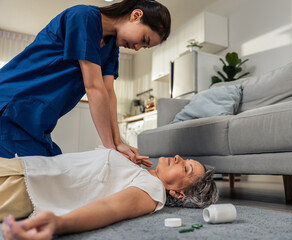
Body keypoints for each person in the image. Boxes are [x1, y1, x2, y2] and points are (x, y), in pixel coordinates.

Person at [0, 0, 171, 164]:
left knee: (51, 175)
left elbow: (108, 92)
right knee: (31, 178)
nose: (137, 47)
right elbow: (94, 87)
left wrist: (118, 142)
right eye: (144, 39)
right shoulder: (84, 16)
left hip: (36, 121)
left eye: (144, 47)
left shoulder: (112, 48)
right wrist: (110, 149)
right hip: (11, 104)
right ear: (136, 15)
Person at [0, 148, 218, 239]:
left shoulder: (153, 190)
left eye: (186, 168)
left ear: (178, 194)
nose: (178, 157)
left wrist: (58, 224)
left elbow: (111, 208)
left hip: (20, 185)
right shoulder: (141, 173)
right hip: (24, 168)